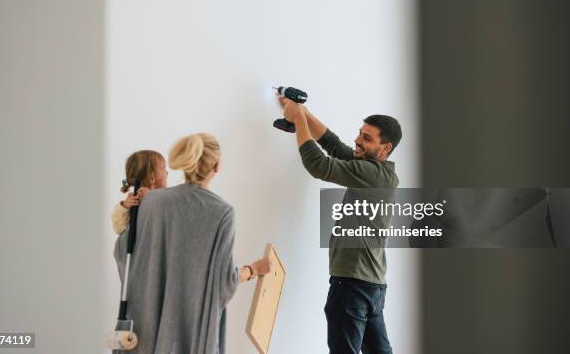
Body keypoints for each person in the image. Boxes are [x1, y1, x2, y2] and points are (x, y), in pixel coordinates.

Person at [113, 133, 271, 354]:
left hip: (143, 334)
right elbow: (224, 283)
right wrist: (253, 269)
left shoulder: (150, 200)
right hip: (188, 337)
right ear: (217, 166)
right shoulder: (222, 213)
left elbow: (122, 251)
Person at [280, 98, 401, 354]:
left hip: (352, 285)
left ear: (385, 148)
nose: (358, 140)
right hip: (371, 286)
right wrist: (303, 112)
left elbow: (319, 165)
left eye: (367, 138)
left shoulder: (370, 174)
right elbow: (334, 146)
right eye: (360, 133)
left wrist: (298, 119)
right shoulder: (377, 172)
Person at [111, 150, 168, 235]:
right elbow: (118, 228)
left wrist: (152, 196)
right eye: (163, 168)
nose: (167, 172)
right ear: (152, 177)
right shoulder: (134, 201)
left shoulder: (167, 196)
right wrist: (124, 206)